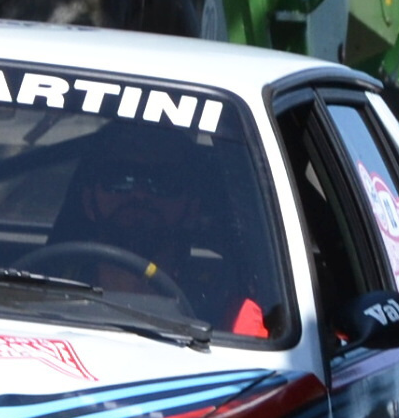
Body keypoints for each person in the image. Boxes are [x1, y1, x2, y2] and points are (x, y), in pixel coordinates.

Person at [47, 140, 270, 336]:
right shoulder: (42, 288)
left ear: (192, 209)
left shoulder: (229, 317)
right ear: (88, 201)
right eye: (119, 178)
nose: (139, 194)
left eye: (164, 182)